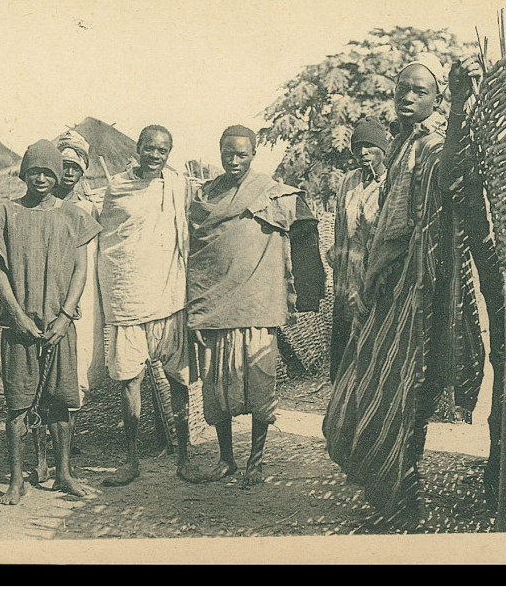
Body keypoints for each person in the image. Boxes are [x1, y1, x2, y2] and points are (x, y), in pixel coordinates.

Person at [322, 54, 487, 522]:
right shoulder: (399, 146)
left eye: (420, 91)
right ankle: (395, 489)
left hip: (424, 286)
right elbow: (387, 222)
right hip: (394, 284)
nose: (408, 98)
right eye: (402, 90)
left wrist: (459, 110)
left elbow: (444, 188)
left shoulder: (437, 145)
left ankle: (403, 496)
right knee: (378, 385)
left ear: (437, 99)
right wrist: (374, 273)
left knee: (407, 390)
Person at [187, 125, 324, 487]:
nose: (234, 161)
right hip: (217, 309)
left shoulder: (271, 194)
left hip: (258, 308)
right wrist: (198, 311)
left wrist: (309, 289)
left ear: (253, 154)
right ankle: (226, 459)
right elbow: (198, 258)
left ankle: (256, 462)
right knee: (217, 392)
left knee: (260, 387)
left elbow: (306, 227)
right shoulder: (205, 198)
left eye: (242, 154)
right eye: (228, 153)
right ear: (219, 151)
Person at [0, 139, 102, 505]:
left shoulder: (75, 217)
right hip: (19, 329)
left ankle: (63, 473)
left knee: (61, 403)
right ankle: (16, 480)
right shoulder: (5, 214)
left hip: (58, 327)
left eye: (49, 171)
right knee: (18, 403)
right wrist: (17, 316)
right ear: (24, 174)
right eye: (35, 171)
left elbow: (81, 268)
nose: (42, 178)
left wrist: (65, 316)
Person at [97, 125, 203, 486]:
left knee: (179, 380)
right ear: (138, 149)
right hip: (130, 300)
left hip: (170, 297)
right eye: (150, 148)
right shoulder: (117, 188)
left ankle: (185, 459)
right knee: (130, 381)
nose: (155, 155)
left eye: (163, 150)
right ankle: (131, 461)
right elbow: (112, 241)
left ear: (169, 153)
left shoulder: (176, 186)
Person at [28, 129, 107, 485]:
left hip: (82, 302)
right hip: (42, 299)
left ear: (85, 170)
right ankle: (40, 459)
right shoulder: (37, 207)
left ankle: (64, 461)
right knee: (36, 378)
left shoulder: (92, 209)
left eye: (77, 167)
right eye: (65, 166)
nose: (71, 173)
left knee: (72, 380)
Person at [326, 117, 389, 383]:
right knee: (345, 337)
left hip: (377, 275)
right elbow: (340, 226)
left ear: (382, 150)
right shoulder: (348, 182)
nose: (363, 152)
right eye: (358, 147)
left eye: (370, 146)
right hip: (347, 276)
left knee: (375, 336)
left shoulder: (391, 182)